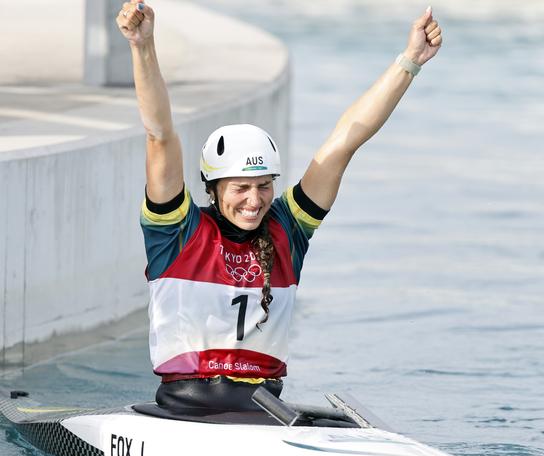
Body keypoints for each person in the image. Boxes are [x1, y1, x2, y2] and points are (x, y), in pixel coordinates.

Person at [116, 1, 442, 411]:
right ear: (213, 189)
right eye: (240, 188)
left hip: (266, 414)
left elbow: (344, 143)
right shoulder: (176, 233)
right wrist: (142, 47)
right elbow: (160, 136)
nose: (255, 201)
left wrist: (409, 61)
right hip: (184, 410)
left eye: (264, 186)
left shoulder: (287, 232)